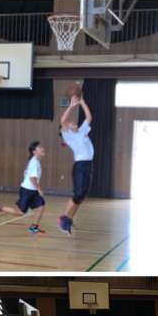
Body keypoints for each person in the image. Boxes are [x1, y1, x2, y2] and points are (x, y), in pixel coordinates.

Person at [0, 141, 46, 234]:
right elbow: (32, 178)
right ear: (34, 151)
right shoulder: (34, 162)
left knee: (41, 206)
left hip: (32, 190)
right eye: (40, 147)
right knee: (20, 212)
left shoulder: (35, 161)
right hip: (27, 191)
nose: (42, 148)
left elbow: (26, 173)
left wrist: (36, 189)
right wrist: (39, 189)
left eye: (41, 147)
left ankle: (33, 227)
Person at [59, 96, 94, 234]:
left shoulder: (82, 130)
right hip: (80, 166)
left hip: (88, 165)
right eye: (69, 123)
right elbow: (63, 120)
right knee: (78, 194)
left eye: (72, 122)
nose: (72, 122)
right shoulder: (68, 136)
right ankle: (63, 219)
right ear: (66, 128)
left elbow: (89, 117)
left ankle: (69, 220)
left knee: (81, 196)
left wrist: (82, 102)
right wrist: (71, 106)